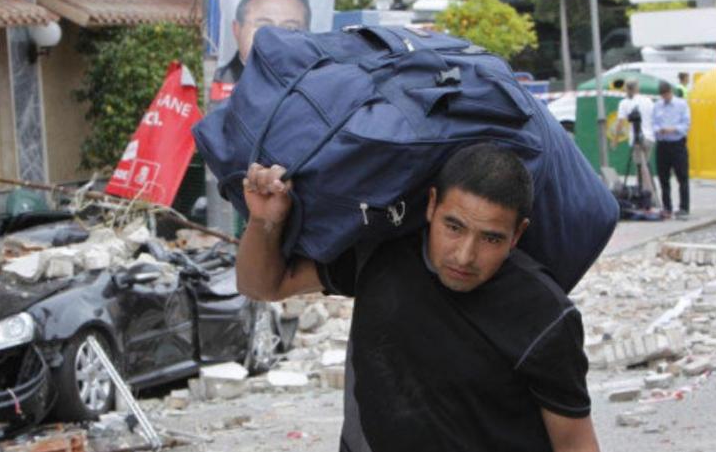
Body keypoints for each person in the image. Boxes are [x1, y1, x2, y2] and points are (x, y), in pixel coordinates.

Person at [236, 144, 600, 452]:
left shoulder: (545, 315)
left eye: (491, 238)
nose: (464, 256)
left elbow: (575, 444)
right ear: (431, 205)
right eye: (453, 227)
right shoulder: (379, 256)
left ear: (517, 234)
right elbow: (264, 286)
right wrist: (265, 220)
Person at [214, 0, 311, 84]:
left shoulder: (315, 85)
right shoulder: (219, 83)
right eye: (263, 26)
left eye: (290, 28)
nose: (276, 37)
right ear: (237, 30)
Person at [652, 81, 691, 219]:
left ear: (671, 92)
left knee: (682, 176)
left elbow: (686, 124)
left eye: (666, 95)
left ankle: (684, 207)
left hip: (677, 143)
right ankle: (667, 207)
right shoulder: (657, 106)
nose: (665, 98)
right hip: (663, 144)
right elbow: (653, 123)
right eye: (663, 95)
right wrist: (659, 130)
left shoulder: (681, 104)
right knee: (663, 178)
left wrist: (673, 129)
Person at [614, 78, 656, 197]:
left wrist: (615, 139)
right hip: (650, 137)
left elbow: (620, 123)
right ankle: (642, 190)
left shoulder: (625, 103)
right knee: (644, 163)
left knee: (641, 166)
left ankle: (648, 191)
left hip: (637, 139)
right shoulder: (648, 100)